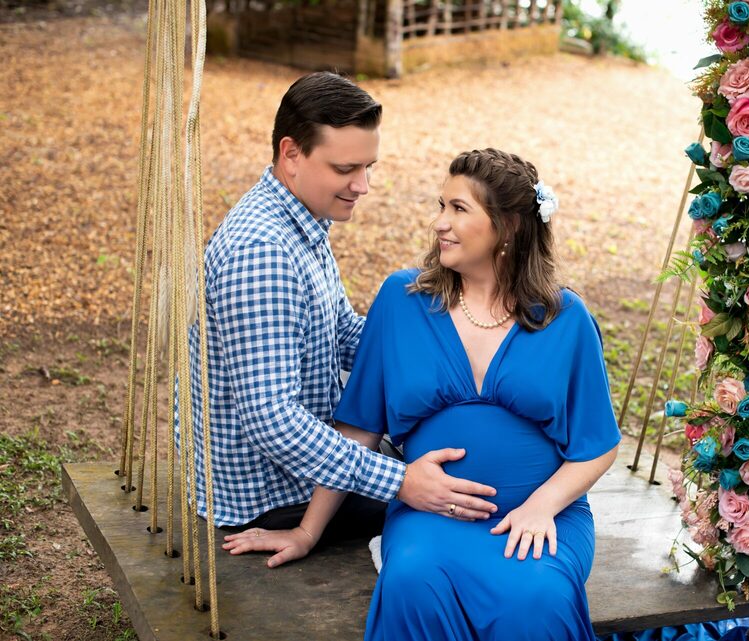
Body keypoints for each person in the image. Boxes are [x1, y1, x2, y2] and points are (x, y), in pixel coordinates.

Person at [225, 148, 622, 640]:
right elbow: (358, 428)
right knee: (413, 581)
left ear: (509, 226)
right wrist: (308, 531)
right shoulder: (403, 300)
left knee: (537, 598)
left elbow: (597, 445)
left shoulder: (565, 318)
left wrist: (541, 506)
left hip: (541, 516)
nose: (439, 223)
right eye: (441, 206)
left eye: (458, 209)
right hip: (430, 517)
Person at [184, 72, 497, 547]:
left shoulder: (300, 220)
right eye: (346, 168)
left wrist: (454, 348)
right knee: (479, 494)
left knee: (459, 454)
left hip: (303, 468)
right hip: (273, 495)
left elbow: (339, 334)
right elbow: (273, 421)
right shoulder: (263, 253)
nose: (362, 185)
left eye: (368, 167)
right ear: (291, 154)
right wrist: (401, 482)